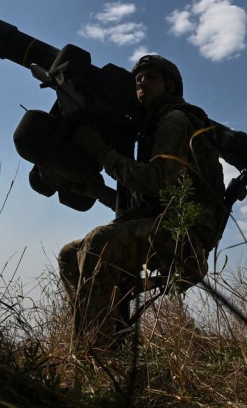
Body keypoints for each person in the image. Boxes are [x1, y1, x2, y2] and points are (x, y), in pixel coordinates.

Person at [59, 55, 226, 352]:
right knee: (70, 253)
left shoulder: (175, 120)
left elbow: (155, 180)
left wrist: (102, 153)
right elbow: (142, 206)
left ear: (169, 86)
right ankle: (106, 343)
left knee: (101, 241)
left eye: (150, 77)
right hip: (162, 225)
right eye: (138, 78)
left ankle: (91, 354)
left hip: (185, 234)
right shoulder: (146, 131)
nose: (141, 82)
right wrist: (99, 192)